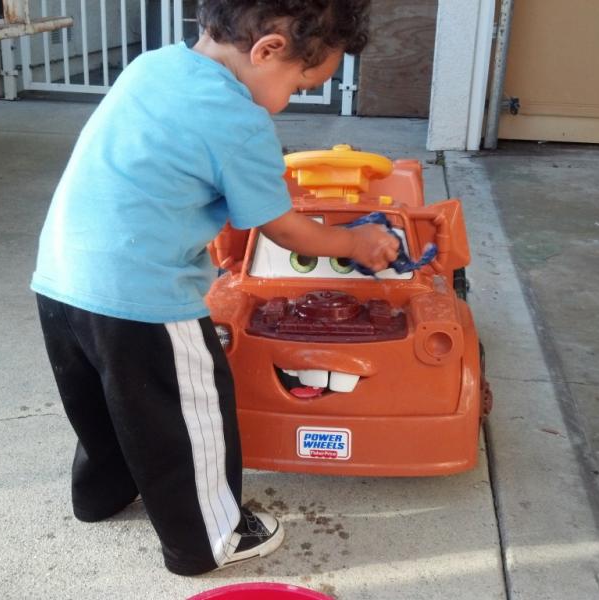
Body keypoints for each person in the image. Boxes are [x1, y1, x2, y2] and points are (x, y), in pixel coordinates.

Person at [31, 0, 395, 576]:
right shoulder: (238, 119)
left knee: (106, 402)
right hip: (144, 297)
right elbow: (278, 224)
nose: (292, 97)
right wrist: (354, 243)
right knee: (188, 413)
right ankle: (208, 539)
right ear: (269, 51)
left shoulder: (152, 67)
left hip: (60, 280)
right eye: (302, 83)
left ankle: (100, 495)